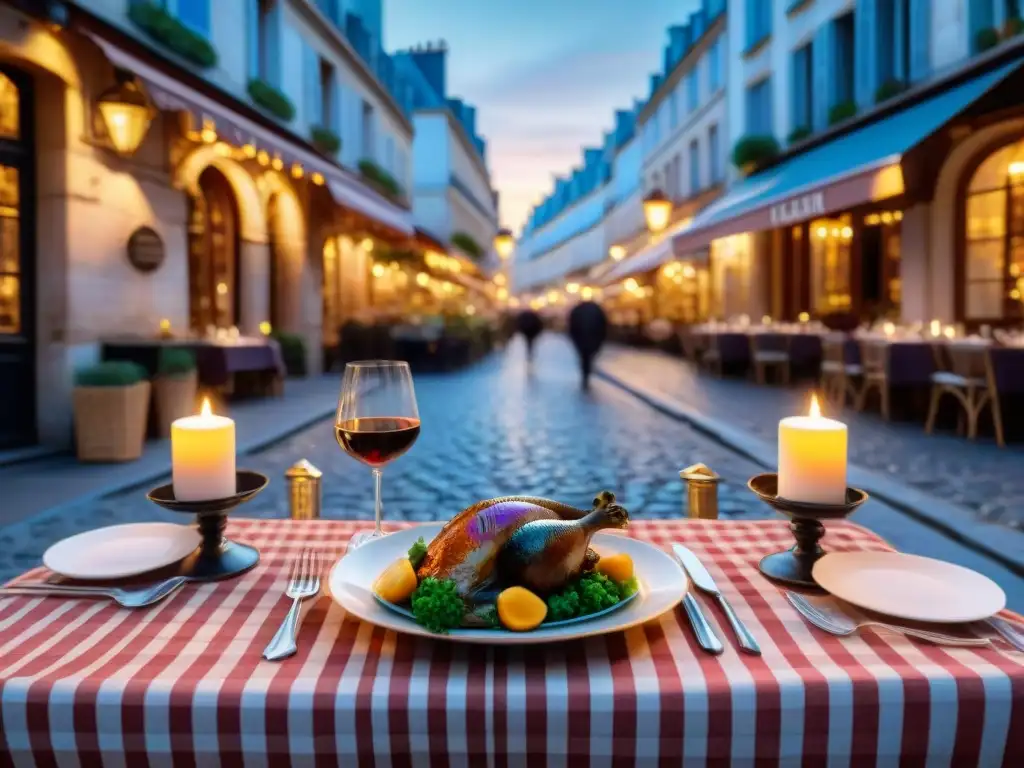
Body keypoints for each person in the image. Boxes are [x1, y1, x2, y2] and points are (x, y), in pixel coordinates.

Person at [568, 299, 608, 389]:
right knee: (589, 357)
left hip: (581, 340)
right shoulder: (598, 311)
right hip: (593, 340)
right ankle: (586, 374)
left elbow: (571, 327)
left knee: (584, 357)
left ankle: (585, 375)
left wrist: (574, 339)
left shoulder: (577, 311)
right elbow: (603, 327)